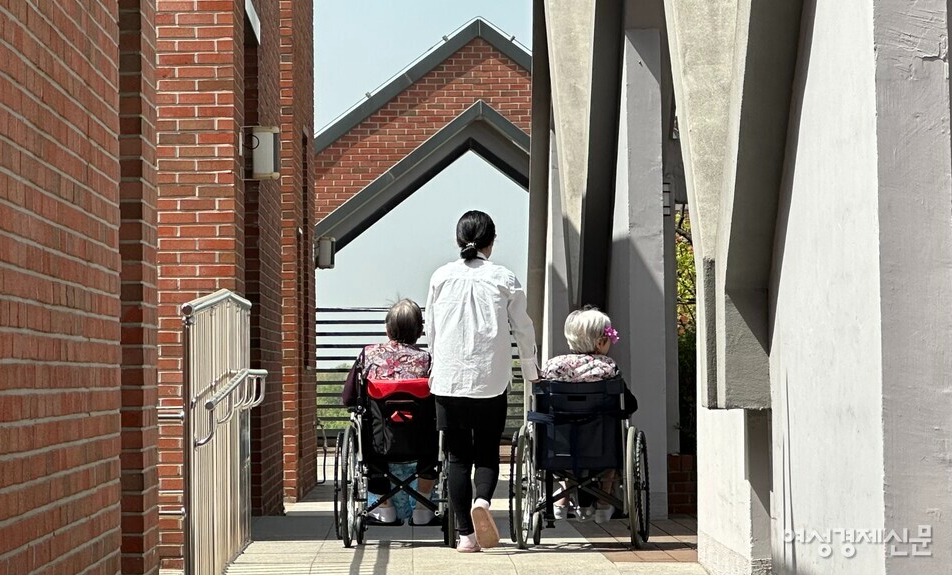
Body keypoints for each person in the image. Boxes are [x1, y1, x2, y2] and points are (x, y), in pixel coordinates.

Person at [425, 210, 539, 553]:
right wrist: (531, 370)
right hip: (490, 377)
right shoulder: (503, 277)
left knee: (457, 456)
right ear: (491, 241)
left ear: (459, 240)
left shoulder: (441, 276)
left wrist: (436, 362)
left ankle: (465, 536)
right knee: (488, 450)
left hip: (447, 380)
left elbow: (430, 327)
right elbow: (523, 327)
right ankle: (483, 503)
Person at [342, 298, 437, 526]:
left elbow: (348, 398)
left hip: (379, 443)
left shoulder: (369, 356)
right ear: (420, 331)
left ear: (387, 328)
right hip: (422, 442)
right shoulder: (427, 360)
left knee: (367, 432)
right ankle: (423, 508)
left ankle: (385, 509)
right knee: (435, 431)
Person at [540, 306, 637, 524]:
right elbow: (629, 404)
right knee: (614, 434)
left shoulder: (553, 366)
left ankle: (562, 498)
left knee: (558, 441)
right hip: (601, 444)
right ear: (601, 341)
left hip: (560, 445)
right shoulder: (608, 367)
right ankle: (604, 501)